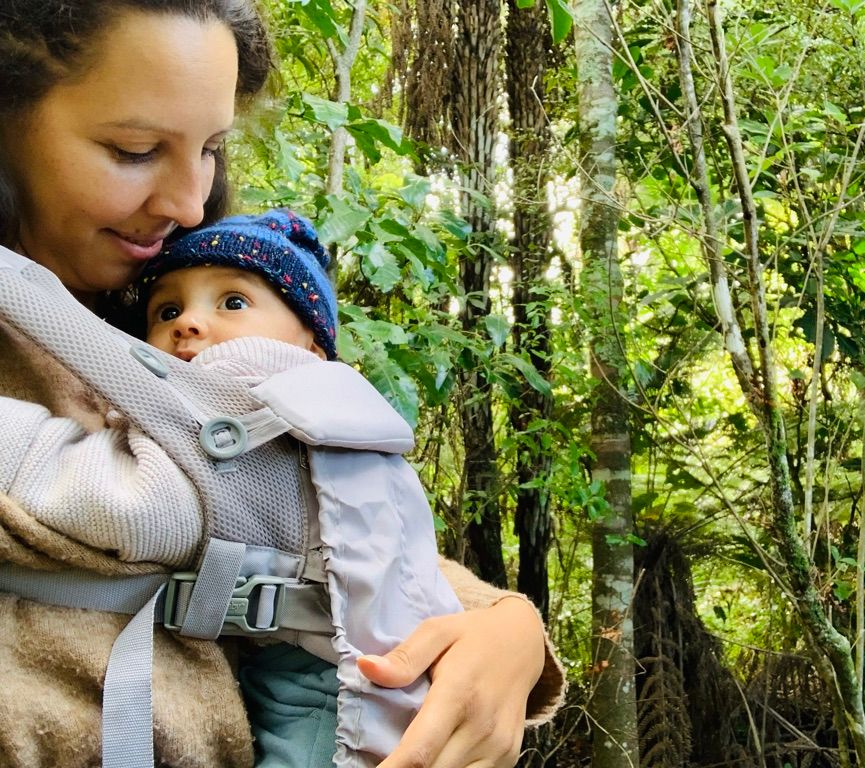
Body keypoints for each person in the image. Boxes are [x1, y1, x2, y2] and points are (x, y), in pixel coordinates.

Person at [0, 2, 564, 767]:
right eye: (134, 150)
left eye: (210, 147)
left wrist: (503, 626)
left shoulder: (184, 316)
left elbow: (305, 516)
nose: (190, 202)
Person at [138, 206, 468, 767]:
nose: (188, 323)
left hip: (331, 679)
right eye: (167, 309)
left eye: (233, 302)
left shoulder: (260, 395)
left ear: (313, 344)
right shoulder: (340, 414)